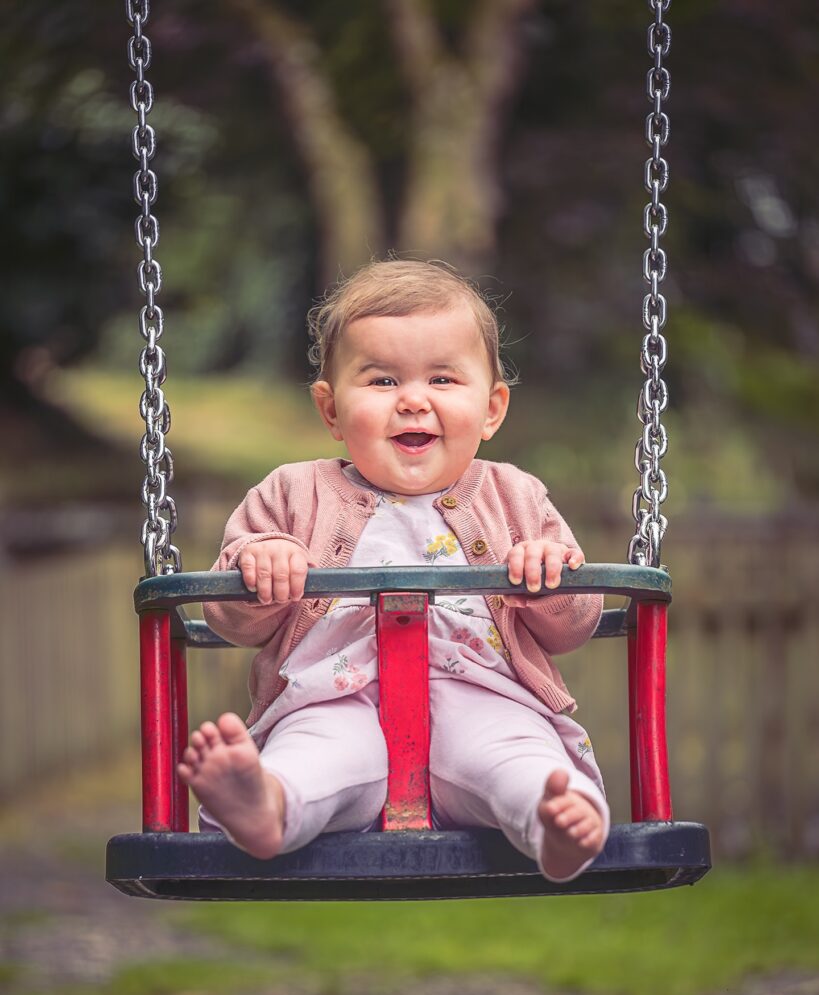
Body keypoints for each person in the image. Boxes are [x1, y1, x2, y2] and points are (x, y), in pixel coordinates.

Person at [178, 259, 609, 882]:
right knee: (312, 764)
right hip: (332, 700)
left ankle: (559, 826)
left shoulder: (517, 498)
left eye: (442, 378)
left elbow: (573, 627)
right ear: (330, 409)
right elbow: (231, 619)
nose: (412, 400)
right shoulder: (291, 495)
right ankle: (265, 806)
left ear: (491, 410)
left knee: (522, 765)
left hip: (485, 699)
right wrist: (261, 563)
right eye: (381, 381)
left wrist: (549, 576)